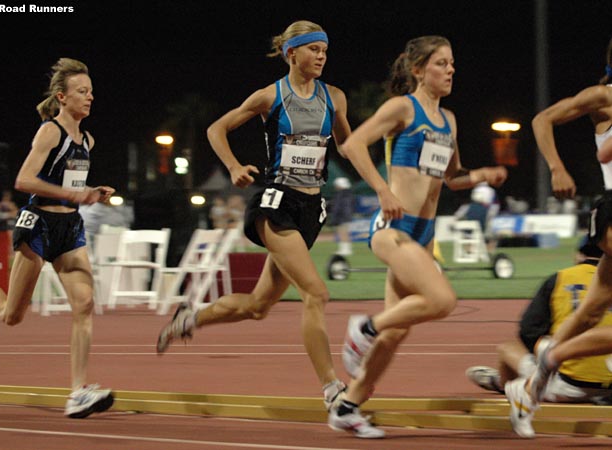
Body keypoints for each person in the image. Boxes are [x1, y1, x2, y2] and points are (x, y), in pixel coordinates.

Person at [155, 20, 352, 412]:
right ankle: (332, 387)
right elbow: (216, 129)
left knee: (258, 307)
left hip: (312, 209)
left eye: (325, 51)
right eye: (314, 50)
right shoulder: (270, 96)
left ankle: (190, 318)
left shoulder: (335, 98)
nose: (321, 57)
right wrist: (231, 167)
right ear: (292, 53)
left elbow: (349, 146)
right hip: (277, 203)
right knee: (316, 292)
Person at [327, 35, 508, 438]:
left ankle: (347, 407)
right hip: (393, 229)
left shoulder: (450, 121)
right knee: (442, 300)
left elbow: (453, 178)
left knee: (397, 332)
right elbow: (352, 144)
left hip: (423, 235)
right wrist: (382, 189)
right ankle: (363, 329)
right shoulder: (402, 108)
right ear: (418, 69)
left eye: (452, 64)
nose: (450, 70)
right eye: (441, 63)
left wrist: (482, 175)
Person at [0, 58, 116, 419]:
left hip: (70, 230)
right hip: (38, 226)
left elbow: (70, 186)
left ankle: (78, 391)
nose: (90, 97)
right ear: (62, 97)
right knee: (11, 316)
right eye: (82, 92)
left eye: (91, 92)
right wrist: (75, 196)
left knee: (84, 305)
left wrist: (91, 191)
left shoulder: (88, 139)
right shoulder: (50, 132)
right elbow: (25, 181)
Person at [505, 38, 612, 439]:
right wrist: (556, 168)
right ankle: (554, 360)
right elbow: (541, 119)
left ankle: (531, 387)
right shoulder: (602, 96)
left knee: (588, 313)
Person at [467, 238, 612, 405]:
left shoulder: (561, 278)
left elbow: (529, 331)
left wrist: (543, 360)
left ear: (579, 254)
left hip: (567, 387)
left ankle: (507, 385)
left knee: (507, 349)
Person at [329, 177, 355, 256]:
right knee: (342, 233)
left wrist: (336, 217)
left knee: (343, 233)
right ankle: (344, 249)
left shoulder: (342, 195)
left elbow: (340, 207)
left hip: (343, 216)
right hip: (345, 216)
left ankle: (346, 250)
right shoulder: (347, 194)